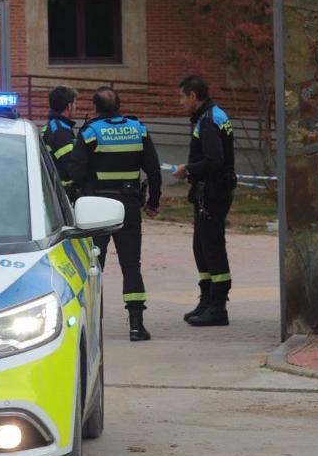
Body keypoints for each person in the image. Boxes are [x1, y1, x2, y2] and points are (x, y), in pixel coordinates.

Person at [71, 87, 162, 341]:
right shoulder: (138, 129)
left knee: (94, 266)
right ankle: (136, 325)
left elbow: (76, 172)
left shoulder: (90, 133)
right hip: (129, 205)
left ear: (96, 107)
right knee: (131, 265)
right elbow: (153, 170)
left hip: (97, 208)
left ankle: (92, 325)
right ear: (119, 106)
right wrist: (153, 201)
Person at [173, 75, 236, 327]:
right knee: (201, 246)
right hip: (209, 191)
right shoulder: (212, 115)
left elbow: (214, 160)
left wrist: (187, 169)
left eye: (181, 97)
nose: (180, 103)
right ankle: (208, 300)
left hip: (213, 192)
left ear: (192, 96)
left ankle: (218, 307)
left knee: (211, 247)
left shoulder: (208, 121)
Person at [41, 86, 80, 199]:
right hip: (63, 193)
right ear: (69, 106)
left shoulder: (53, 126)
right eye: (75, 104)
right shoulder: (60, 130)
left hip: (56, 190)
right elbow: (71, 165)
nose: (76, 107)